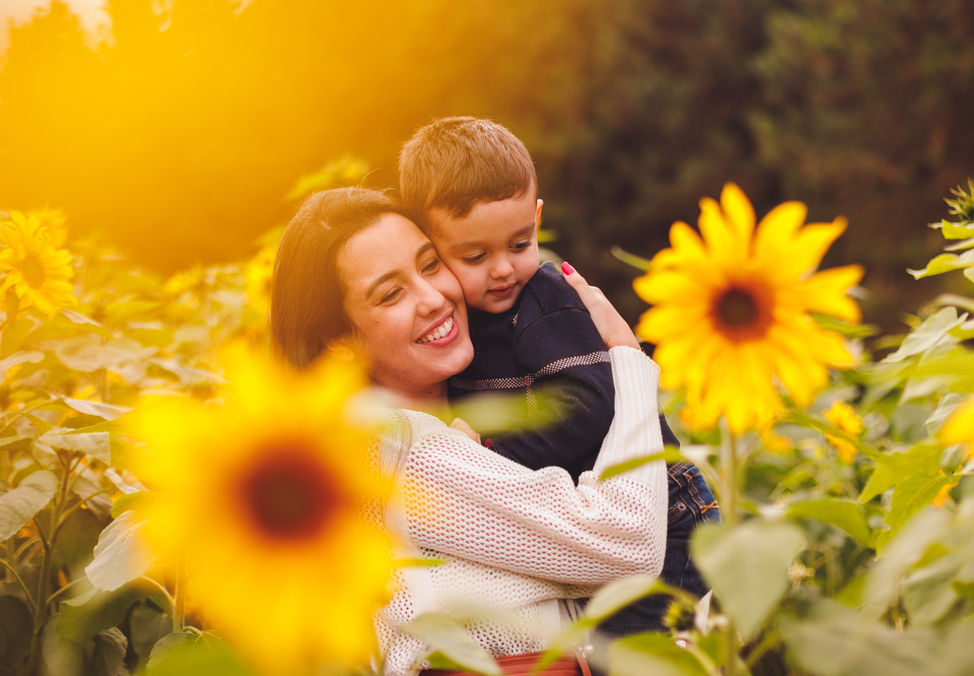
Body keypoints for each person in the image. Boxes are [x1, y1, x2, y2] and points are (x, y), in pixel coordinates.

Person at [269, 187, 667, 676]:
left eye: (431, 264)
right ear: (339, 341)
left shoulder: (464, 422)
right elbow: (628, 545)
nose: (434, 298)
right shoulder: (391, 448)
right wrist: (628, 360)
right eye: (391, 293)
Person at [398, 117, 717, 635]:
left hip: (671, 515)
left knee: (626, 654)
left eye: (520, 244)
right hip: (598, 518)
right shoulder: (460, 328)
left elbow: (586, 405)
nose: (503, 269)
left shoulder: (546, 304)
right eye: (475, 256)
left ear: (538, 217)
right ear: (431, 244)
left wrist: (493, 450)